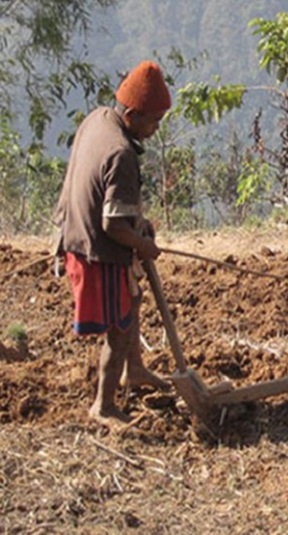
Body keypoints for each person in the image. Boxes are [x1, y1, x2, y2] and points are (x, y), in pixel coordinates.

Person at [54, 60, 172, 427]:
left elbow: (110, 202)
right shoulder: (121, 154)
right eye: (152, 122)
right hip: (96, 251)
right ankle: (103, 406)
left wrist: (137, 225)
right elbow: (111, 226)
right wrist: (142, 244)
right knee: (118, 330)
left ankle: (134, 370)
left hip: (74, 232)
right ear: (132, 114)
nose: (154, 130)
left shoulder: (99, 118)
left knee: (132, 302)